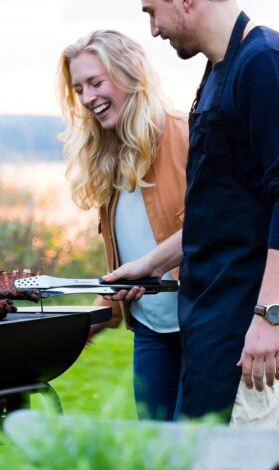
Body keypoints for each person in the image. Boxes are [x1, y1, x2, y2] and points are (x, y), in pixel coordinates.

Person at [106, 1, 279, 470]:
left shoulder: (262, 63)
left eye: (154, 10)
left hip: (239, 329)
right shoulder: (222, 67)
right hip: (223, 320)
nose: (151, 27)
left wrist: (269, 316)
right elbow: (218, 211)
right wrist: (148, 265)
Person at [56, 30, 188, 420]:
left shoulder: (185, 134)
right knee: (157, 458)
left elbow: (216, 228)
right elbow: (127, 263)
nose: (88, 98)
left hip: (202, 327)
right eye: (79, 88)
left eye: (96, 82)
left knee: (201, 463)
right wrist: (89, 324)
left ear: (132, 74)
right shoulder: (110, 158)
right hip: (151, 331)